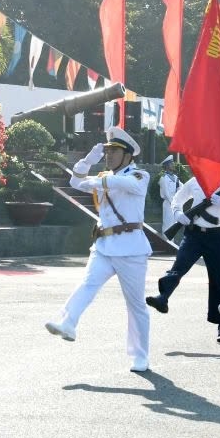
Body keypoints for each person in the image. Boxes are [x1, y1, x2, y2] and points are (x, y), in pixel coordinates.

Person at [45, 127, 153, 371]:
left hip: (131, 248)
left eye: (114, 151)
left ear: (128, 156)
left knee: (135, 304)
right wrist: (88, 161)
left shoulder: (139, 175)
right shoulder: (104, 175)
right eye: (107, 151)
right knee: (88, 283)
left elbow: (127, 185)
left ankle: (140, 355)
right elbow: (75, 181)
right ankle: (68, 322)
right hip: (104, 245)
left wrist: (98, 180)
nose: (109, 155)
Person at [149, 166, 220, 342]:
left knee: (218, 281)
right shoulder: (196, 181)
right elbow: (177, 198)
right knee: (178, 268)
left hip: (217, 237)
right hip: (194, 234)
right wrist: (178, 213)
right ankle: (163, 297)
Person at [157, 155, 183, 226]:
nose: (173, 165)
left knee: (174, 225)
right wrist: (174, 202)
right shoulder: (163, 178)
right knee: (168, 225)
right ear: (166, 166)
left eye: (173, 163)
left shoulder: (175, 177)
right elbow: (166, 194)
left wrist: (179, 190)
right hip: (168, 204)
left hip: (174, 203)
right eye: (171, 163)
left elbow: (182, 187)